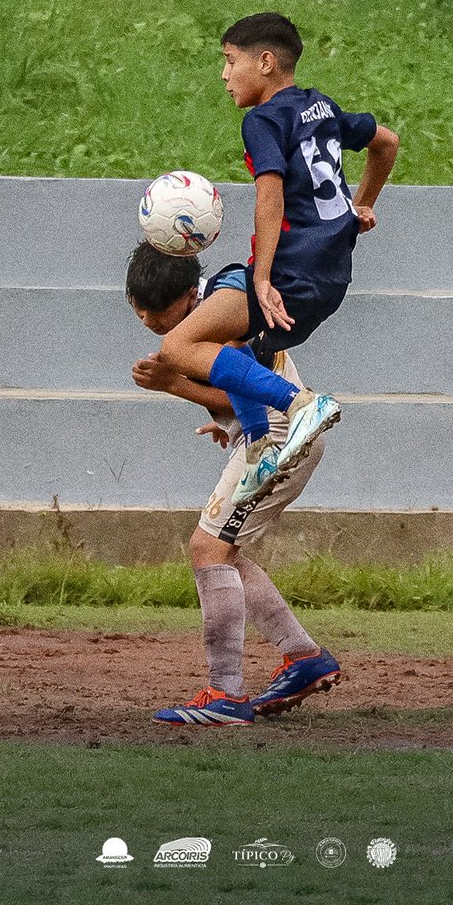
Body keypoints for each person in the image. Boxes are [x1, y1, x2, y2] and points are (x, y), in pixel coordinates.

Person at [158, 12, 399, 512]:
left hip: (292, 272)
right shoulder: (321, 107)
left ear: (264, 62)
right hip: (332, 276)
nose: (224, 75)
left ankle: (301, 405)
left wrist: (263, 278)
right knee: (237, 353)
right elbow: (387, 142)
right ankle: (262, 442)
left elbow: (270, 197)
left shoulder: (262, 121)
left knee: (178, 346)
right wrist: (362, 205)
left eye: (229, 61)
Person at [127, 240, 341, 726]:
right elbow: (237, 393)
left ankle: (226, 693)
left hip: (282, 437)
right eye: (138, 309)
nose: (147, 320)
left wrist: (173, 383)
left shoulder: (216, 314)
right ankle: (303, 657)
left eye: (155, 310)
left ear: (186, 296)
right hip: (273, 433)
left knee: (208, 550)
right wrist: (228, 423)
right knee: (223, 552)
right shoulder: (217, 304)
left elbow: (239, 385)